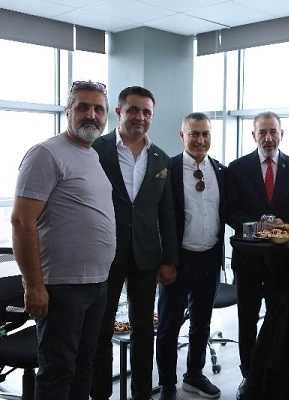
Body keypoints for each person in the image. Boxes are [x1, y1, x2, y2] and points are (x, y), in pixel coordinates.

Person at [11, 81, 116, 400]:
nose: (91, 115)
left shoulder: (91, 155)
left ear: (106, 116)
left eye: (98, 109)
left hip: (96, 284)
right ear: (68, 111)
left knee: (84, 365)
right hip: (61, 287)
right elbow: (21, 221)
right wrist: (33, 286)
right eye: (83, 107)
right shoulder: (46, 153)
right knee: (58, 371)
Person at [90, 86, 178, 400]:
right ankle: (99, 393)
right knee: (100, 332)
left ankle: (142, 393)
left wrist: (170, 259)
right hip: (105, 255)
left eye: (146, 112)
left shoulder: (160, 158)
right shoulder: (96, 149)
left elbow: (166, 213)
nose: (140, 117)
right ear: (119, 112)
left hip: (147, 256)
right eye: (133, 110)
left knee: (143, 330)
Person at [226, 111, 289, 399]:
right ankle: (249, 375)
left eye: (273, 132)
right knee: (247, 318)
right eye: (263, 132)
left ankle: (278, 374)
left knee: (280, 317)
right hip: (248, 258)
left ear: (281, 134)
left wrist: (287, 224)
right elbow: (230, 210)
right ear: (254, 135)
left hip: (282, 262)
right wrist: (257, 225)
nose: (269, 137)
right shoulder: (237, 168)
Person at [156, 112, 226, 400]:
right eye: (194, 134)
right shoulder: (167, 169)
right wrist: (165, 261)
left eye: (205, 134)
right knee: (169, 325)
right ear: (182, 135)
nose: (200, 140)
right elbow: (157, 218)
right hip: (177, 260)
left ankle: (194, 375)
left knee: (201, 322)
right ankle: (167, 384)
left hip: (209, 258)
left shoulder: (221, 171)